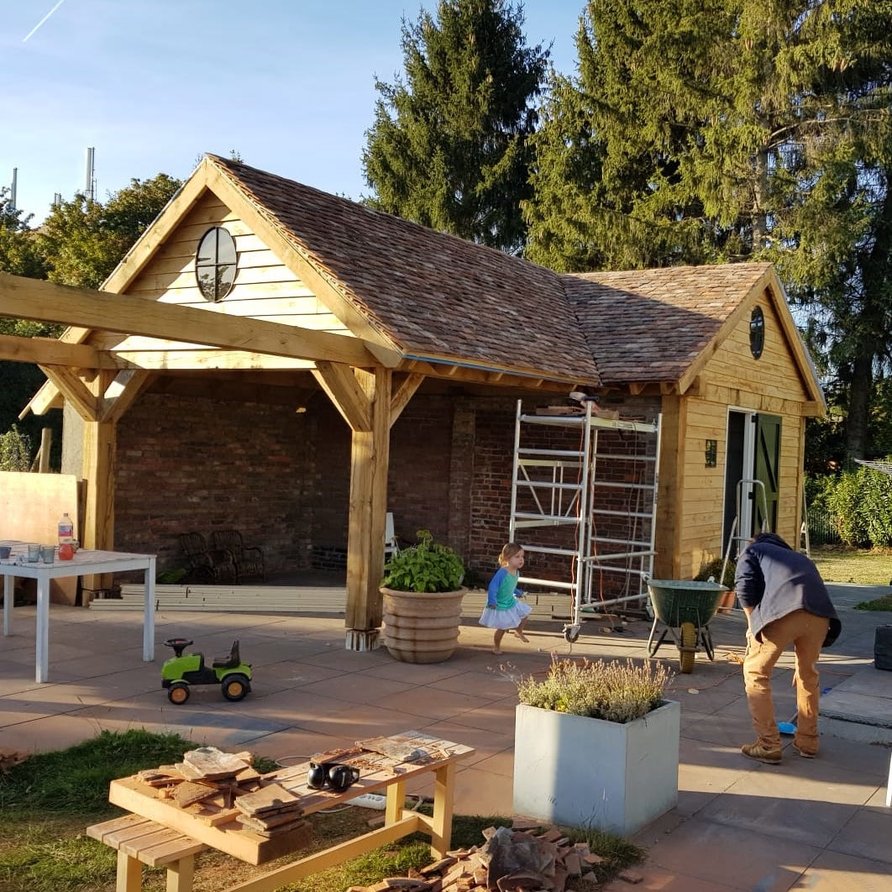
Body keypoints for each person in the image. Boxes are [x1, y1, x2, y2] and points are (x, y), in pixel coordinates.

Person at [735, 532, 841, 764]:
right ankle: (808, 742)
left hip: (784, 612)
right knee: (807, 675)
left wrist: (753, 625)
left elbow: (744, 587)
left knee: (755, 673)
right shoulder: (800, 558)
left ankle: (768, 745)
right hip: (821, 616)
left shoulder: (753, 550)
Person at [479, 542, 533, 654]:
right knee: (502, 628)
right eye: (517, 557)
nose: (521, 559)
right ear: (507, 558)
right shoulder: (503, 572)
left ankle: (518, 631)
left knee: (525, 614)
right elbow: (493, 586)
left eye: (522, 556)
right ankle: (496, 647)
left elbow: (510, 586)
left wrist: (518, 592)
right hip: (500, 604)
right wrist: (492, 601)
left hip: (510, 601)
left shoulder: (516, 572)